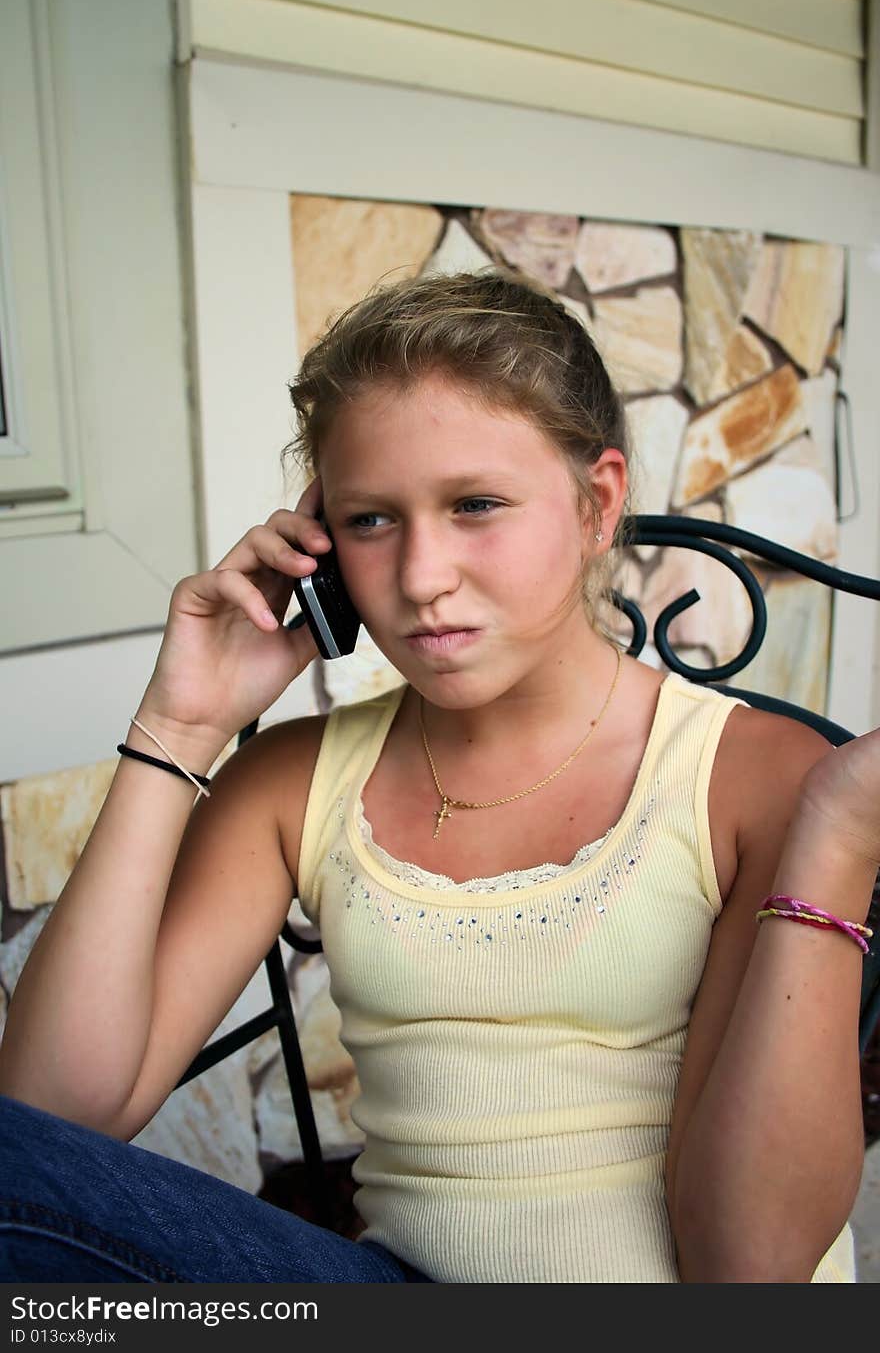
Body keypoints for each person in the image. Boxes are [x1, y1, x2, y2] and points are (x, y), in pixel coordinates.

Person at [0, 269, 877, 1284]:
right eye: (371, 519)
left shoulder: (754, 776)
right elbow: (50, 1119)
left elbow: (751, 1267)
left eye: (475, 504)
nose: (419, 578)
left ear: (597, 504)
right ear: (318, 548)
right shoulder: (295, 783)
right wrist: (177, 727)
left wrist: (839, 841)